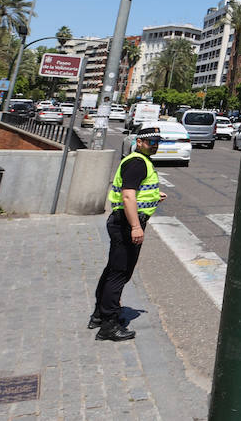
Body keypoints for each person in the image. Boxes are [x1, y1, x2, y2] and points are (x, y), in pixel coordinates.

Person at [91, 125, 166, 341]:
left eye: (157, 142)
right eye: (151, 142)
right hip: (125, 224)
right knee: (120, 274)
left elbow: (134, 192)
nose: (155, 146)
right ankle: (109, 325)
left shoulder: (138, 161)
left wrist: (152, 196)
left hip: (121, 222)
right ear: (139, 142)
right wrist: (135, 226)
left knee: (113, 271)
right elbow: (127, 197)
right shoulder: (137, 163)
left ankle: (99, 314)